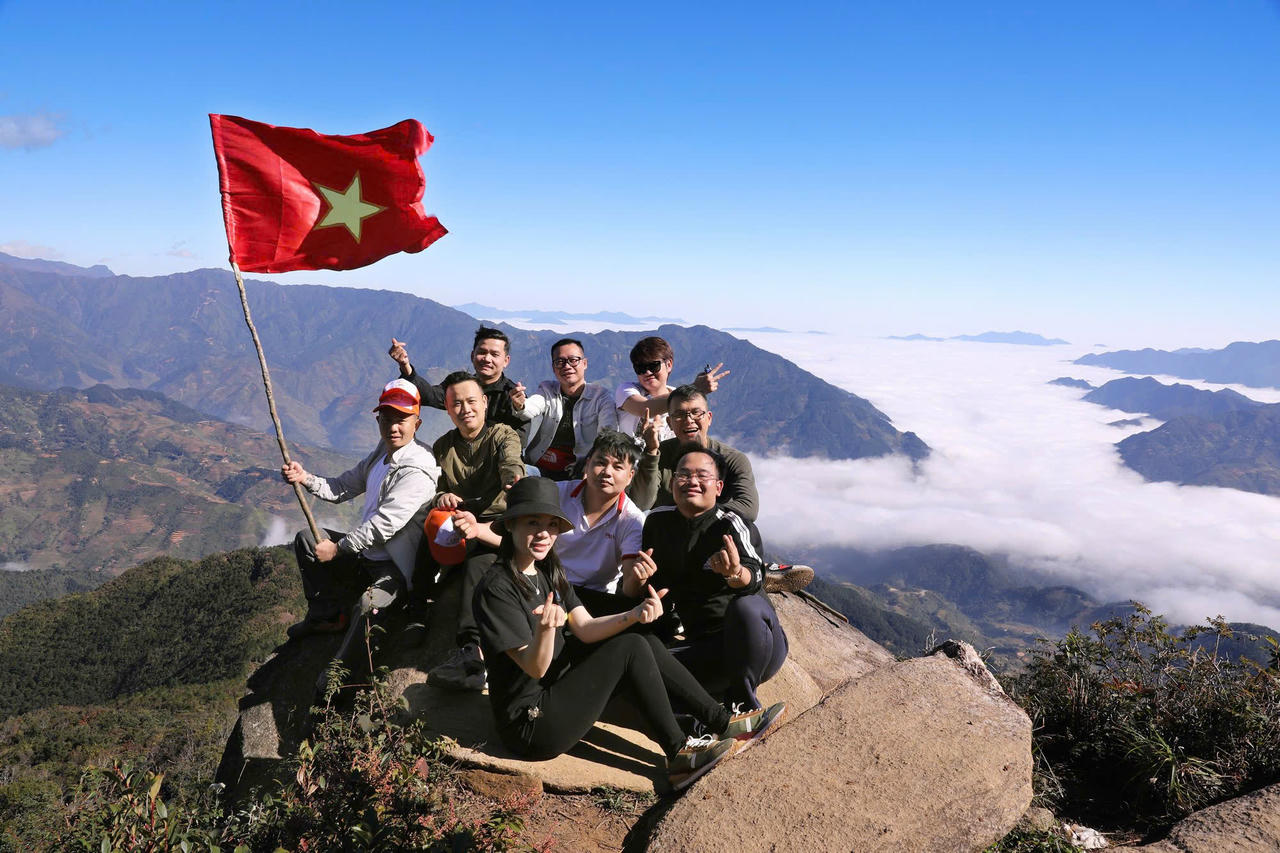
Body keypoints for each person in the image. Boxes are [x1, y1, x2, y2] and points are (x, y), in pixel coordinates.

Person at [473, 476, 785, 791]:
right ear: (510, 525)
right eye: (532, 523)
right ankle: (679, 752)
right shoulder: (497, 587)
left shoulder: (548, 571)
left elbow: (585, 628)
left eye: (551, 524)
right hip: (530, 724)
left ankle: (722, 722)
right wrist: (545, 631)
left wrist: (634, 615)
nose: (544, 533)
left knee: (642, 638)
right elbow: (534, 668)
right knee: (630, 647)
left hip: (555, 690)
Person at [282, 378, 439, 640]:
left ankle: (346, 660)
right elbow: (342, 487)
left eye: (402, 419)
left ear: (417, 423)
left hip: (393, 567)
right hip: (367, 557)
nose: (393, 427)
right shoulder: (382, 452)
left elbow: (383, 526)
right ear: (378, 421)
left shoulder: (417, 468)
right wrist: (305, 478)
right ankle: (326, 616)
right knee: (307, 539)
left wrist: (338, 549)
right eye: (387, 419)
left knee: (368, 607)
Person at [632, 446, 788, 710]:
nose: (692, 481)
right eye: (683, 475)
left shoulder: (730, 523)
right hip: (705, 647)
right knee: (641, 661)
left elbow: (755, 576)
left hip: (756, 645)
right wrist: (641, 582)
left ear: (718, 487)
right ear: (672, 483)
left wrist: (735, 573)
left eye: (702, 475)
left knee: (746, 606)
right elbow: (658, 591)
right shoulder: (658, 524)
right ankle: (703, 711)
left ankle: (743, 703)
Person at [425, 371, 525, 691]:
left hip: (496, 522)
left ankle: (472, 652)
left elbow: (511, 463)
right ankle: (415, 611)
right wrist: (442, 497)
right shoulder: (443, 447)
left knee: (478, 564)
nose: (465, 409)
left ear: (484, 402)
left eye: (471, 401)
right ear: (448, 408)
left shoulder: (502, 435)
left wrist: (512, 481)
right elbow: (434, 489)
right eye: (456, 403)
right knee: (423, 532)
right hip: (459, 522)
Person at [552, 429, 648, 616]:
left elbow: (630, 590)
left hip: (595, 599)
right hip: (548, 585)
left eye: (618, 467)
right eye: (601, 463)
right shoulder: (557, 493)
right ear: (587, 465)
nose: (607, 472)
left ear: (630, 476)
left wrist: (639, 579)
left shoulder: (633, 520)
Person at [389, 326, 528, 439]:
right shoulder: (460, 387)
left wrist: (519, 408)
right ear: (472, 356)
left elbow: (520, 440)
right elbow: (430, 396)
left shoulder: (514, 396)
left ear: (506, 361)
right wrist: (405, 365)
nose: (487, 358)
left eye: (494, 354)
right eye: (482, 352)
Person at [516, 338, 619, 480]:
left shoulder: (601, 398)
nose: (567, 366)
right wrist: (520, 404)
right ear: (553, 368)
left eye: (573, 360)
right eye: (560, 362)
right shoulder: (547, 389)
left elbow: (607, 435)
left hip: (579, 472)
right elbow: (532, 406)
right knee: (513, 472)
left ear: (584, 363)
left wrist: (594, 466)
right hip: (539, 469)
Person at [614, 336, 729, 442]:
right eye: (640, 368)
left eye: (653, 366)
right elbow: (645, 409)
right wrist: (695, 388)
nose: (647, 372)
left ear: (669, 364)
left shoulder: (679, 394)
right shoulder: (626, 390)